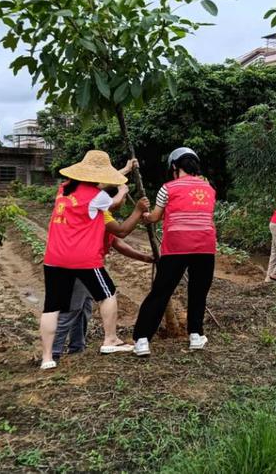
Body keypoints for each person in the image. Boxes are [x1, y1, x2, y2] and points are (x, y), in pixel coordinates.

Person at [39, 150, 149, 370]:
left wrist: (124, 172)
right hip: (82, 258)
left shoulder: (64, 189)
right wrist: (125, 191)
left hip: (53, 258)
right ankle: (110, 340)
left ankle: (47, 358)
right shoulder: (96, 197)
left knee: (51, 308)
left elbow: (100, 189)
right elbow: (115, 203)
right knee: (107, 293)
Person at [132, 147, 216, 356]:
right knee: (198, 292)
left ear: (174, 166)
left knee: (160, 292)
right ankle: (195, 335)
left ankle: (142, 339)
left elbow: (155, 217)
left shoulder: (167, 188)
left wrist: (145, 215)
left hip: (176, 247)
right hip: (205, 246)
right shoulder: (209, 188)